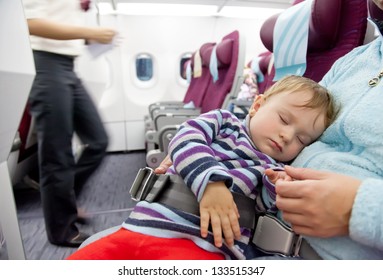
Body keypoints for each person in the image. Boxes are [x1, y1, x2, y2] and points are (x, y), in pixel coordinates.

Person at [153, 0, 383, 260]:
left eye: (300, 139)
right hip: (250, 235)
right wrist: (203, 144)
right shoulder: (353, 62)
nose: (287, 136)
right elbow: (301, 112)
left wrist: (360, 208)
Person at [67, 75, 337, 260]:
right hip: (141, 228)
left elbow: (265, 211)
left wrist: (275, 188)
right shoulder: (224, 121)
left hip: (204, 250)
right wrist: (212, 184)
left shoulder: (274, 167)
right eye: (283, 119)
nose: (287, 136)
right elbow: (185, 138)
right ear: (257, 105)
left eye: (302, 139)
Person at [22, 0, 117, 247]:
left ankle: (64, 202)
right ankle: (61, 230)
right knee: (58, 153)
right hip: (44, 63)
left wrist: (88, 39)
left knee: (98, 141)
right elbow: (30, 23)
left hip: (67, 66)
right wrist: (89, 32)